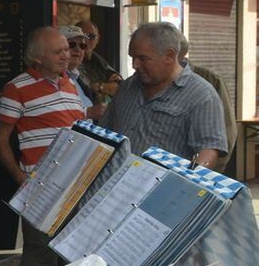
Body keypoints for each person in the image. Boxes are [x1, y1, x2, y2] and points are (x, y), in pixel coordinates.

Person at [0, 27, 85, 266]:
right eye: (58, 52)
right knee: (40, 258)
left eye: (66, 49)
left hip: (75, 185)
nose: (66, 55)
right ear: (37, 58)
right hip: (41, 187)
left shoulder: (70, 84)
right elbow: (0, 138)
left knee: (70, 255)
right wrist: (19, 176)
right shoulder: (17, 87)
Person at [100, 22, 226, 167]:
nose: (135, 65)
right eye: (132, 58)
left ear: (169, 56)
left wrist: (189, 177)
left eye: (143, 58)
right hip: (114, 179)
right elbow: (104, 133)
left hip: (163, 181)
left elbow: (209, 152)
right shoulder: (127, 87)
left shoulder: (202, 96)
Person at [179, 37, 237, 171]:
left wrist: (212, 170)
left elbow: (227, 128)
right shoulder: (139, 81)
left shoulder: (208, 79)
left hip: (194, 170)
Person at [60, 25, 104, 120]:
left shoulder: (77, 78)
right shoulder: (53, 78)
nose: (78, 49)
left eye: (82, 46)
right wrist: (88, 112)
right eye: (71, 45)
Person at [78, 18, 123, 100]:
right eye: (83, 36)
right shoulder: (71, 62)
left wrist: (99, 87)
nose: (86, 41)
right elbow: (86, 89)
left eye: (91, 37)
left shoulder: (97, 59)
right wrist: (106, 87)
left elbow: (120, 85)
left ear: (97, 39)